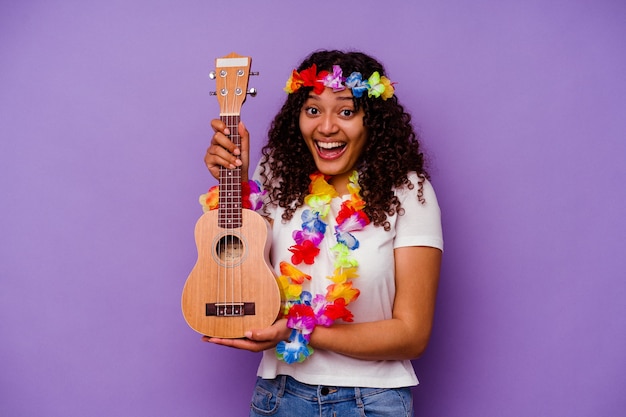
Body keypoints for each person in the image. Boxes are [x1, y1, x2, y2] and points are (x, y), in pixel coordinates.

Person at [201, 49, 443, 417]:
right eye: (313, 109)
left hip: (373, 402)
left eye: (346, 111)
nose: (326, 127)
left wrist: (297, 331)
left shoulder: (409, 193)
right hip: (280, 398)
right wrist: (237, 184)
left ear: (371, 121)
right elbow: (237, 282)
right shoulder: (277, 184)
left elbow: (412, 334)